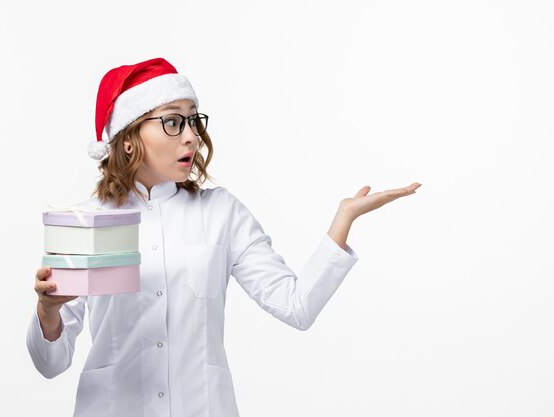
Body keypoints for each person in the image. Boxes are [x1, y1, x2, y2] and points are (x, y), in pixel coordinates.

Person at [26, 57, 421, 417]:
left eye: (194, 121)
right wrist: (48, 310)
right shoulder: (86, 222)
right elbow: (51, 363)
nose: (191, 137)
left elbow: (296, 306)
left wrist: (343, 219)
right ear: (128, 137)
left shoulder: (221, 212)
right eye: (173, 121)